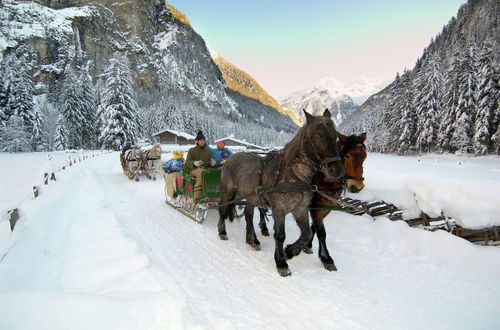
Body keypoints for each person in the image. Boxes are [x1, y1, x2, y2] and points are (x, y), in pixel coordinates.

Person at [185, 130, 216, 202]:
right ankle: (197, 196)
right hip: (193, 170)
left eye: (203, 140)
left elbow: (210, 163)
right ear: (197, 141)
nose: (202, 142)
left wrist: (212, 162)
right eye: (201, 140)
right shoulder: (191, 150)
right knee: (202, 172)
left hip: (206, 169)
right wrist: (194, 163)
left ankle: (215, 192)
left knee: (217, 171)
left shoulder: (209, 151)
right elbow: (187, 162)